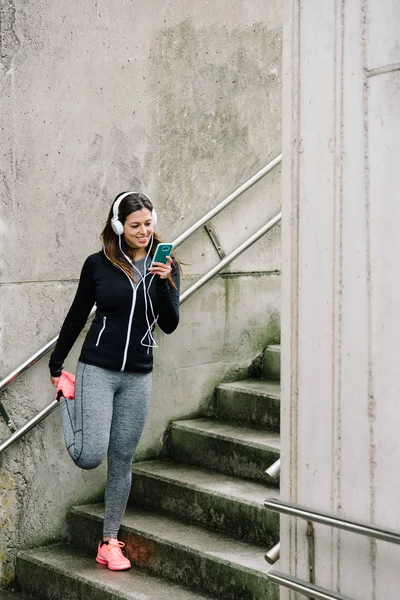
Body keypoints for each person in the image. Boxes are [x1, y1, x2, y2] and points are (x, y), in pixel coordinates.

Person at [49, 192, 180, 571]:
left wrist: (166, 283)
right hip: (98, 369)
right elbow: (76, 316)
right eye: (135, 225)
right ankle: (66, 397)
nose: (143, 232)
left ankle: (109, 542)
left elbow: (170, 324)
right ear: (120, 226)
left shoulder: (165, 266)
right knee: (89, 456)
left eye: (148, 224)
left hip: (139, 376)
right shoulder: (98, 265)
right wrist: (57, 366)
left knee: (122, 460)